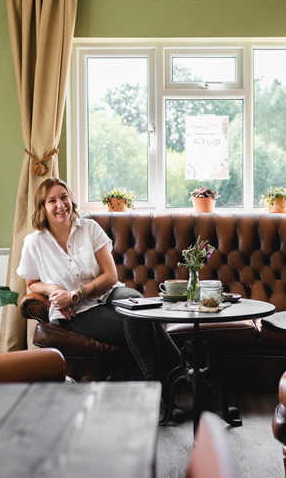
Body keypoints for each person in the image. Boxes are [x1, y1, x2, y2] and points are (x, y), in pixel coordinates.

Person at [17, 177, 183, 420]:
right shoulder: (34, 242)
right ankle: (194, 385)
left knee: (137, 304)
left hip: (105, 291)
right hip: (76, 312)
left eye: (64, 197)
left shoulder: (90, 228)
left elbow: (110, 276)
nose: (61, 205)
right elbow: (31, 284)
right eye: (51, 201)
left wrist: (76, 293)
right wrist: (53, 287)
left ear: (71, 199)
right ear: (42, 207)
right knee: (139, 320)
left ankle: (156, 392)